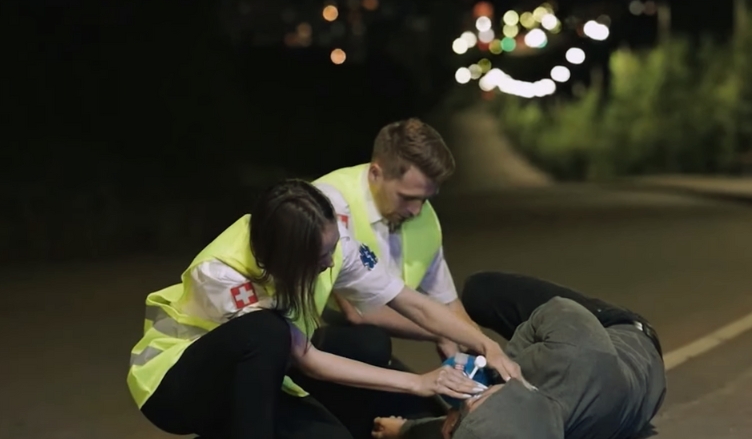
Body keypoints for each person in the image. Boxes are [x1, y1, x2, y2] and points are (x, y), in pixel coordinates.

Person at [127, 180, 514, 439]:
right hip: (174, 389)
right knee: (266, 332)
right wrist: (418, 382)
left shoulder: (326, 242)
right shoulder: (222, 275)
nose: (332, 263)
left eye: (333, 248)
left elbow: (411, 302)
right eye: (322, 256)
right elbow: (308, 359)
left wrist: (484, 345)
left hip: (255, 380)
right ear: (286, 257)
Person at [371, 272, 667, 439]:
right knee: (481, 291)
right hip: (623, 335)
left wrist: (407, 430)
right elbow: (559, 309)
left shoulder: (536, 427)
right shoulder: (576, 355)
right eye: (478, 398)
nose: (468, 398)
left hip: (617, 401)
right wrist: (500, 355)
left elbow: (469, 431)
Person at [313, 118, 479, 358]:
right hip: (298, 340)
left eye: (424, 199)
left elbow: (447, 304)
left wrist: (482, 350)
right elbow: (360, 313)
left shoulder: (423, 219)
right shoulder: (329, 204)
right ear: (375, 173)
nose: (416, 211)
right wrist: (446, 333)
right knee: (371, 346)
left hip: (348, 342)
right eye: (407, 197)